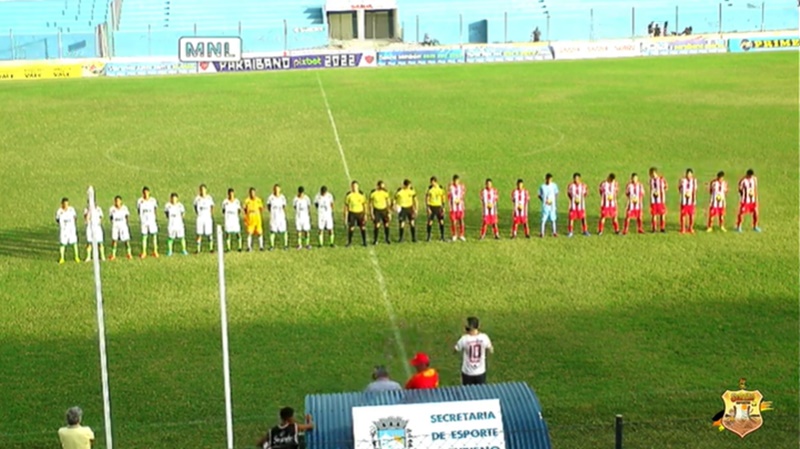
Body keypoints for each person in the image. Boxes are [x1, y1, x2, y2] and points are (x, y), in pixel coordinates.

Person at [454, 316, 494, 385]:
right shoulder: (484, 337)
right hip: (481, 372)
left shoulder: (464, 339)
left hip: (467, 372)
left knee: (467, 391)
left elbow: (456, 349)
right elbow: (491, 349)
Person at [344, 180, 368, 247]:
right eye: (353, 186)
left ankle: (364, 242)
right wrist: (345, 216)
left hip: (360, 213)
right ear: (351, 187)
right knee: (351, 228)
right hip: (352, 213)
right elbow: (346, 206)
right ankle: (349, 242)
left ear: (358, 186)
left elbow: (364, 205)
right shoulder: (349, 195)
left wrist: (365, 214)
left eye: (355, 186)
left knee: (362, 227)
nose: (354, 188)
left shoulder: (361, 194)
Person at [136, 186, 159, 258]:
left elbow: (155, 209)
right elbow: (138, 210)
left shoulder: (153, 200)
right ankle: (144, 252)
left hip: (151, 221)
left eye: (147, 193)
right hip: (144, 221)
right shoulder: (140, 201)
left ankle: (155, 251)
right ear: (142, 193)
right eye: (144, 193)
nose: (146, 194)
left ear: (149, 193)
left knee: (154, 236)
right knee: (144, 236)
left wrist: (154, 217)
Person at [56, 197, 80, 264]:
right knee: (62, 243)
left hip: (71, 230)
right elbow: (57, 220)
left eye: (67, 204)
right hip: (64, 231)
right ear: (62, 204)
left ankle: (76, 257)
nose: (66, 206)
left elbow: (75, 217)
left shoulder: (71, 210)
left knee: (74, 242)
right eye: (64, 204)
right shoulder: (59, 211)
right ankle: (62, 258)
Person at [108, 196, 132, 260]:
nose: (117, 202)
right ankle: (113, 254)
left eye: (118, 201)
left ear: (121, 201)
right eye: (116, 201)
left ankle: (129, 254)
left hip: (123, 225)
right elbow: (111, 217)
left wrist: (125, 223)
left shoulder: (124, 208)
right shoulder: (112, 209)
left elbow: (127, 217)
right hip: (115, 225)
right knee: (114, 240)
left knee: (126, 240)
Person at [368, 180, 392, 245]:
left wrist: (389, 213)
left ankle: (387, 239)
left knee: (386, 224)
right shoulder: (373, 193)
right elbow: (370, 204)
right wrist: (371, 213)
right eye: (381, 186)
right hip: (377, 211)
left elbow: (388, 203)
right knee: (377, 225)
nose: (382, 188)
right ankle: (375, 240)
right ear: (378, 186)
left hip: (384, 210)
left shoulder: (385, 193)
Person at [567, 173, 590, 237]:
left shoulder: (583, 185)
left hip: (581, 205)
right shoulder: (570, 186)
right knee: (571, 218)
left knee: (583, 218)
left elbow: (586, 193)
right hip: (573, 205)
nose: (576, 180)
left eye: (577, 178)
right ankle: (570, 231)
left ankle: (585, 231)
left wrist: (581, 199)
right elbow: (568, 194)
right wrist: (573, 199)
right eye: (575, 178)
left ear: (579, 178)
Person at [194, 184, 215, 253]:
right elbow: (195, 206)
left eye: (203, 190)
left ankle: (211, 248)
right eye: (201, 190)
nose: (202, 191)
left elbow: (212, 206)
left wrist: (210, 214)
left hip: (207, 218)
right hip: (200, 218)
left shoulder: (209, 198)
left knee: (209, 233)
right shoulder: (197, 199)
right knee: (199, 233)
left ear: (206, 190)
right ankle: (198, 249)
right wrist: (198, 213)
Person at [267, 184, 289, 250]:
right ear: (273, 190)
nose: (276, 190)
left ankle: (285, 245)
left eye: (278, 189)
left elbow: (284, 206)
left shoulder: (282, 197)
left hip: (281, 217)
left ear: (280, 190)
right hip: (274, 217)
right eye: (275, 189)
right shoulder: (270, 198)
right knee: (272, 231)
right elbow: (268, 206)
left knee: (284, 230)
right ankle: (272, 246)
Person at [243, 187, 265, 251]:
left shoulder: (258, 200)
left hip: (257, 219)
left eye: (253, 193)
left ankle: (261, 246)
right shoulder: (247, 201)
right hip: (250, 220)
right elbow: (245, 209)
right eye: (251, 193)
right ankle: (249, 247)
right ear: (249, 193)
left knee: (260, 233)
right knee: (249, 233)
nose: (252, 194)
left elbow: (261, 208)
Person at [426, 176, 446, 242]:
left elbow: (443, 197)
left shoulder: (440, 188)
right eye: (431, 182)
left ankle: (442, 236)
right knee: (430, 222)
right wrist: (428, 207)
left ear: (435, 182)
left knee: (441, 221)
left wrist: (443, 207)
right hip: (432, 206)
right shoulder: (430, 189)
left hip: (438, 207)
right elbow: (427, 198)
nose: (432, 183)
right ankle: (428, 236)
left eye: (432, 182)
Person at [221, 188, 243, 252]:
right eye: (230, 194)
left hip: (235, 220)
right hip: (228, 220)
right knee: (228, 233)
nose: (231, 195)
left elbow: (239, 210)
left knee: (238, 233)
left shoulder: (237, 201)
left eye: (232, 194)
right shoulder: (225, 202)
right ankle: (228, 248)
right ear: (228, 194)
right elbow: (223, 210)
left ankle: (239, 247)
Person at [649, 167, 668, 233]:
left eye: (654, 173)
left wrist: (660, 192)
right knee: (653, 214)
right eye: (651, 174)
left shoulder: (661, 179)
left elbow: (666, 187)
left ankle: (662, 228)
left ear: (656, 173)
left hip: (661, 200)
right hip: (653, 200)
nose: (653, 175)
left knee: (662, 213)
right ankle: (654, 228)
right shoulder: (650, 180)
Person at [448, 174, 467, 241]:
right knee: (453, 221)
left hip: (460, 207)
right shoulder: (450, 187)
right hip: (453, 207)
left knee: (461, 220)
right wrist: (453, 201)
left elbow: (463, 194)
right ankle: (454, 234)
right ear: (453, 180)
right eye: (455, 181)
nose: (456, 182)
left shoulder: (461, 186)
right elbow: (449, 196)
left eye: (457, 181)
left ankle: (461, 234)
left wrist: (459, 200)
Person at [678, 169, 697, 234]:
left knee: (692, 215)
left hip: (691, 201)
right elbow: (679, 189)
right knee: (683, 215)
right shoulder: (682, 180)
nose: (689, 175)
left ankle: (691, 228)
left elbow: (695, 190)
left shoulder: (694, 181)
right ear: (686, 174)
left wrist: (693, 198)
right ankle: (683, 228)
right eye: (688, 174)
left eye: (690, 174)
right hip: (684, 201)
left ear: (692, 174)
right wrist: (685, 193)